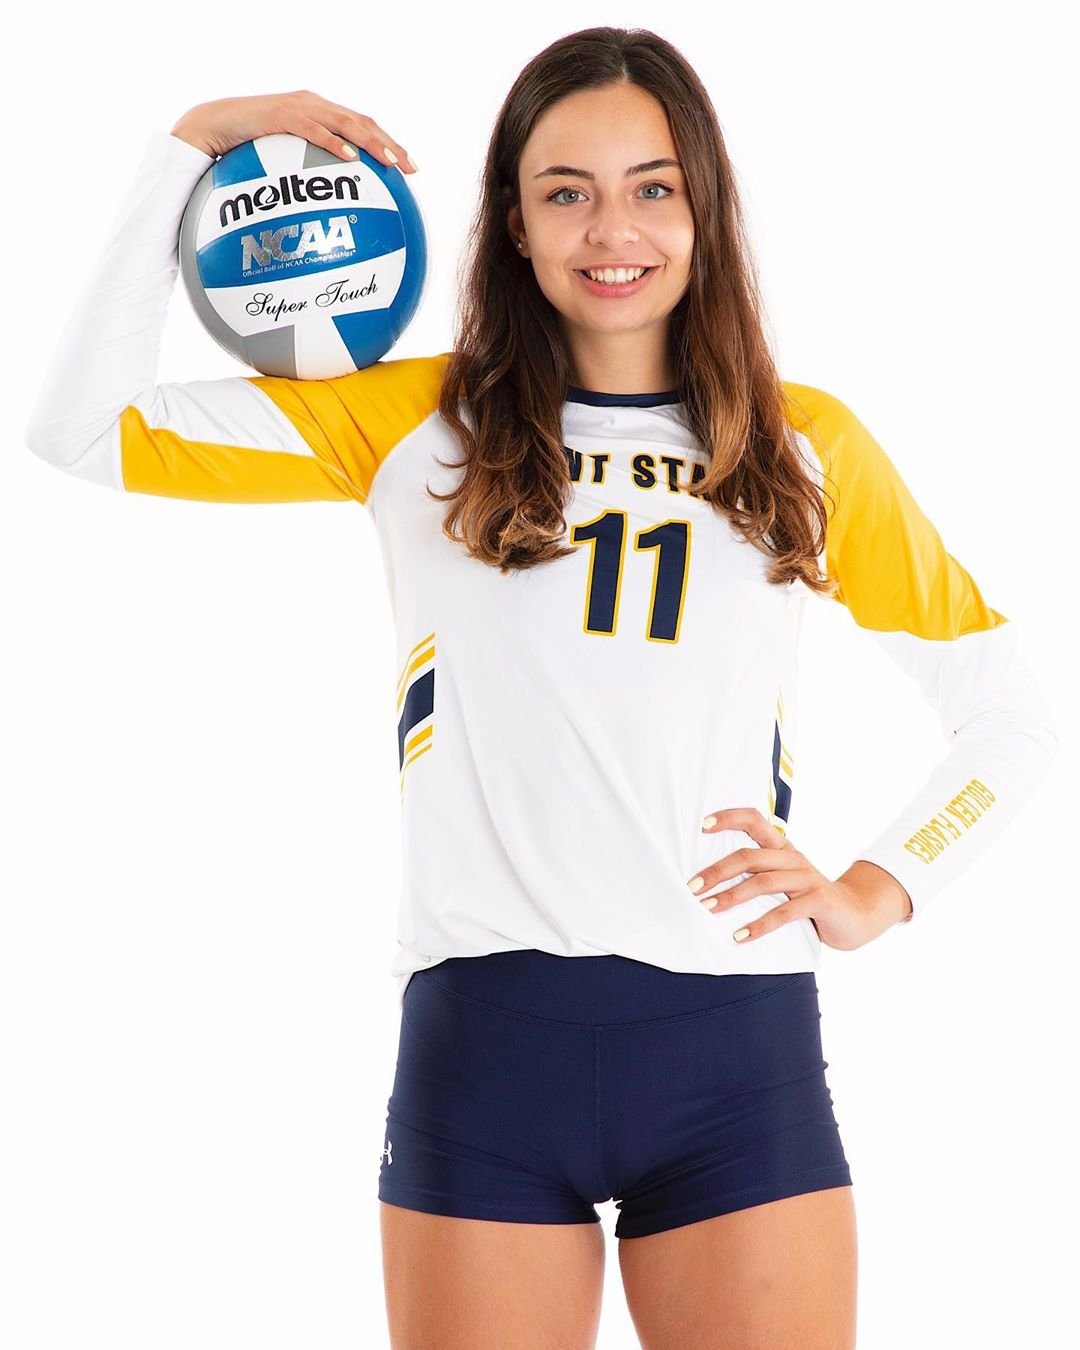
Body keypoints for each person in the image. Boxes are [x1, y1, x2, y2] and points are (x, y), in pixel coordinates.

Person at [23, 26, 1059, 1350]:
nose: (611, 229)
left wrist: (878, 886)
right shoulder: (410, 424)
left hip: (734, 1056)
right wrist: (189, 147)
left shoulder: (802, 445)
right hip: (485, 1056)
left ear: (705, 208)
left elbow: (1010, 713)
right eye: (566, 191)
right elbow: (79, 428)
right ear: (512, 222)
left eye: (653, 187)